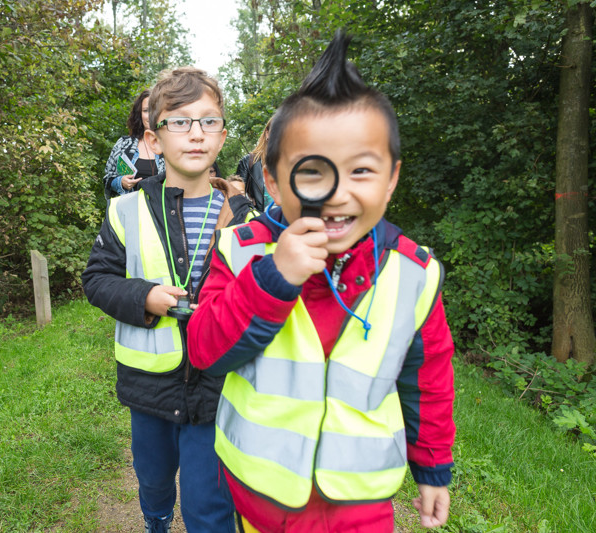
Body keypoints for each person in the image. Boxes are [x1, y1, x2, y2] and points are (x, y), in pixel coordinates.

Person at [187, 30, 455, 533]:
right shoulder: (240, 251)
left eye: (362, 171)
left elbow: (428, 380)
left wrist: (433, 468)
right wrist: (272, 278)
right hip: (260, 497)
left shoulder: (413, 274)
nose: (337, 195)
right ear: (272, 181)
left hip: (360, 504)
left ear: (392, 179)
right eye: (313, 172)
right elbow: (205, 350)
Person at [81, 66, 254, 533]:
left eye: (209, 121)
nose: (196, 133)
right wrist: (143, 295)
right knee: (154, 479)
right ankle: (156, 520)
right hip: (150, 386)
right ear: (154, 140)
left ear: (221, 136)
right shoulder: (126, 209)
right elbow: (96, 278)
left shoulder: (246, 219)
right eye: (180, 122)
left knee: (208, 503)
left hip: (218, 386)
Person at [103, 89, 165, 199]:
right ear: (139, 114)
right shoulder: (124, 144)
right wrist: (120, 182)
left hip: (162, 208)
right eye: (146, 110)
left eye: (155, 110)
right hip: (129, 208)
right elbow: (107, 179)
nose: (150, 115)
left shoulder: (171, 145)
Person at [235, 118, 272, 211]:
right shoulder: (248, 162)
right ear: (267, 134)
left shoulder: (293, 163)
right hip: (258, 217)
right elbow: (236, 198)